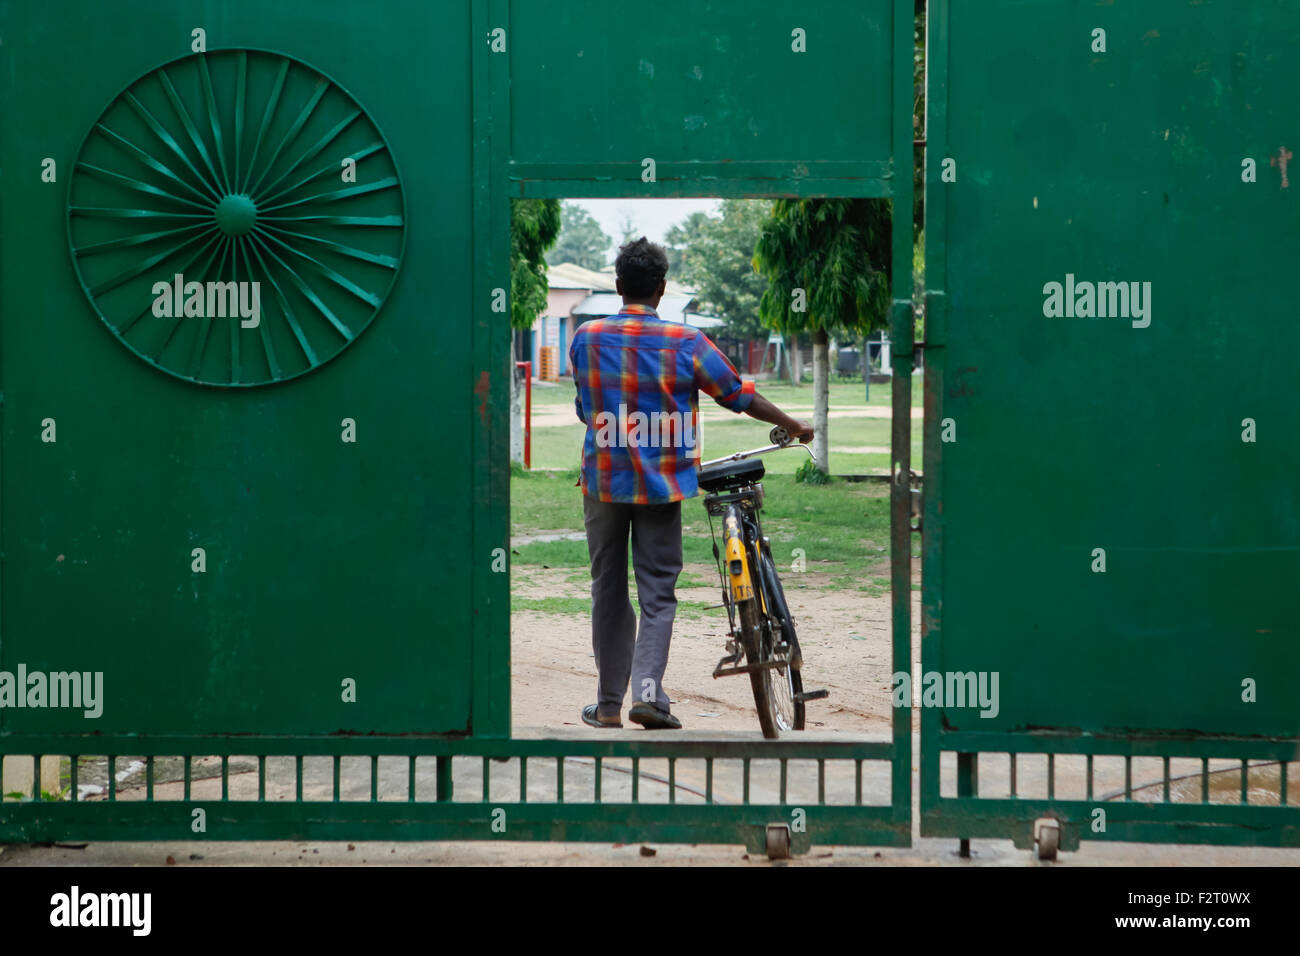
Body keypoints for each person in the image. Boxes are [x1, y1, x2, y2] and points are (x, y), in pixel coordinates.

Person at [568, 236, 813, 730]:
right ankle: (649, 695)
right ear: (661, 289)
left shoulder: (586, 338)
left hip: (604, 484)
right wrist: (793, 424)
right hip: (662, 486)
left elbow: (584, 407)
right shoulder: (686, 342)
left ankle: (609, 704)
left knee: (607, 589)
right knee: (657, 593)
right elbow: (736, 394)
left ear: (618, 286)